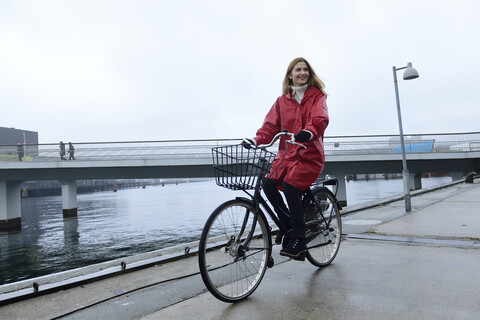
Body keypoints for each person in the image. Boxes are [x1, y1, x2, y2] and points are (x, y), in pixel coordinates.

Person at [242, 57, 329, 260]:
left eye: (305, 70)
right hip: (286, 156)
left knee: (290, 185)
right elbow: (270, 127)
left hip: (309, 155)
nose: (302, 73)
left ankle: (299, 240)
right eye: (297, 70)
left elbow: (320, 118)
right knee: (268, 184)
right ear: (290, 75)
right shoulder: (282, 101)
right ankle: (287, 220)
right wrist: (256, 140)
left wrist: (308, 132)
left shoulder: (318, 97)